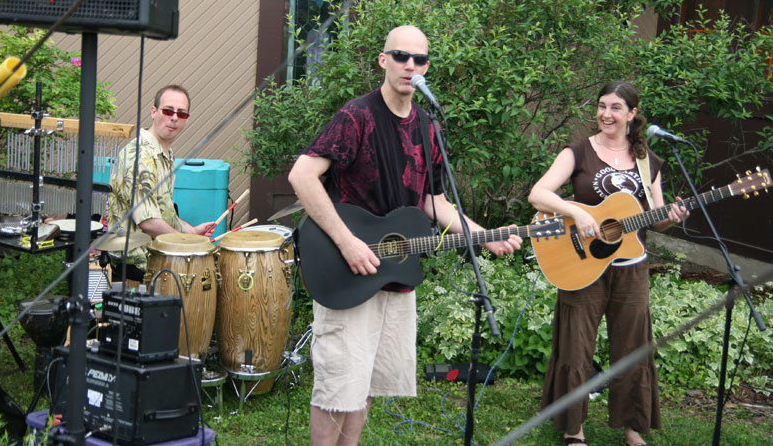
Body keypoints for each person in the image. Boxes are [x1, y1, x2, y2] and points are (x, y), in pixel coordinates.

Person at [288, 25, 523, 446]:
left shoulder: (428, 127)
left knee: (367, 385)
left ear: (427, 68)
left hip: (394, 275)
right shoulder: (356, 116)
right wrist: (347, 241)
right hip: (348, 267)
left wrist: (484, 235)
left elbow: (434, 202)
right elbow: (302, 175)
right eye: (400, 56)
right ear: (383, 60)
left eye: (419, 60)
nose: (409, 66)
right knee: (338, 387)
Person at [527, 81, 689, 446]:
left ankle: (633, 428)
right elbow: (538, 193)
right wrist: (575, 213)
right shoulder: (580, 151)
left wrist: (672, 217)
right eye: (602, 106)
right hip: (581, 263)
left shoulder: (647, 160)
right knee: (576, 346)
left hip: (631, 266)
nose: (606, 114)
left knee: (633, 347)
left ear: (632, 114)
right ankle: (574, 428)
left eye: (616, 108)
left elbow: (654, 216)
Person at [107, 84, 214, 283]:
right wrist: (185, 243)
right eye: (168, 110)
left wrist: (191, 231)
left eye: (181, 114)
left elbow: (162, 213)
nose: (174, 117)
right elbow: (149, 222)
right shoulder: (141, 156)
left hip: (155, 251)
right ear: (154, 112)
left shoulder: (165, 154)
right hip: (137, 260)